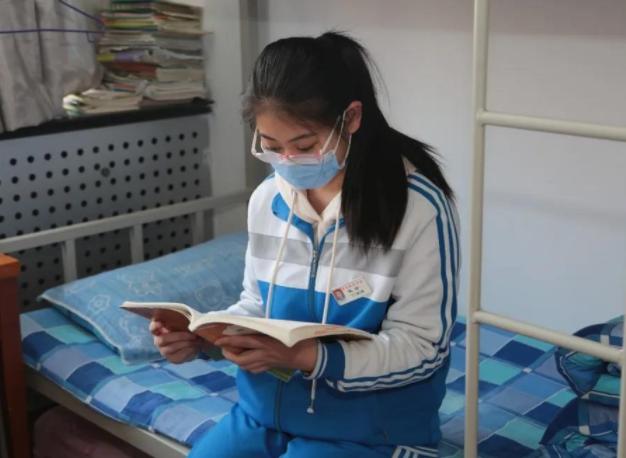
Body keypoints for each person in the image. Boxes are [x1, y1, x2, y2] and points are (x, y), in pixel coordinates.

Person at [151, 31, 460, 458]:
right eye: (271, 147)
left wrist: (307, 357)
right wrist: (204, 338)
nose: (287, 162)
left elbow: (424, 347)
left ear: (351, 118)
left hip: (372, 430)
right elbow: (258, 305)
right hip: (264, 415)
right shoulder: (268, 200)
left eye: (304, 146)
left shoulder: (416, 207)